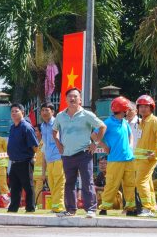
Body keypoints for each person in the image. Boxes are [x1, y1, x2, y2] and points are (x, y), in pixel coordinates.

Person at [53, 88, 106, 218]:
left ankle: (91, 210)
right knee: (69, 183)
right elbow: (54, 131)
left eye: (75, 97)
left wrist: (96, 143)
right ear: (65, 100)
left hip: (84, 154)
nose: (72, 99)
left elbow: (102, 126)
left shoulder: (86, 114)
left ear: (80, 100)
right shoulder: (60, 116)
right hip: (67, 155)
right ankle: (70, 210)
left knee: (87, 181)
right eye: (70, 97)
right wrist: (58, 143)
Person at [98, 96, 136, 215]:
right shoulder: (107, 123)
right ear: (123, 110)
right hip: (115, 160)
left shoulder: (124, 122)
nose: (129, 111)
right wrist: (104, 146)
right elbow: (95, 135)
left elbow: (130, 135)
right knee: (112, 184)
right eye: (127, 109)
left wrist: (130, 145)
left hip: (129, 158)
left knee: (130, 184)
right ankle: (104, 207)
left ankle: (130, 207)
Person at [131, 95, 157, 218]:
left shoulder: (155, 121)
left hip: (148, 158)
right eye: (141, 106)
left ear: (151, 108)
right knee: (147, 182)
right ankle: (152, 205)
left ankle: (147, 208)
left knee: (140, 181)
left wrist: (156, 153)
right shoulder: (142, 122)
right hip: (140, 158)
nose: (143, 109)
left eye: (146, 106)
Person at [6, 103, 39, 213]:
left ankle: (30, 208)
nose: (14, 113)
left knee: (28, 186)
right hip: (14, 162)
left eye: (16, 111)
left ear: (23, 113)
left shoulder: (26, 127)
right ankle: (13, 208)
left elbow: (35, 146)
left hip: (25, 162)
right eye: (12, 111)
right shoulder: (12, 127)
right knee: (14, 187)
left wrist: (33, 158)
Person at [36, 104, 65, 213]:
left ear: (53, 112)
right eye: (42, 110)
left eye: (47, 110)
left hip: (59, 157)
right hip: (49, 158)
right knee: (52, 183)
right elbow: (45, 144)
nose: (44, 112)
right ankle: (55, 207)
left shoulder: (58, 123)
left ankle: (60, 207)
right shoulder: (43, 126)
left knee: (59, 182)